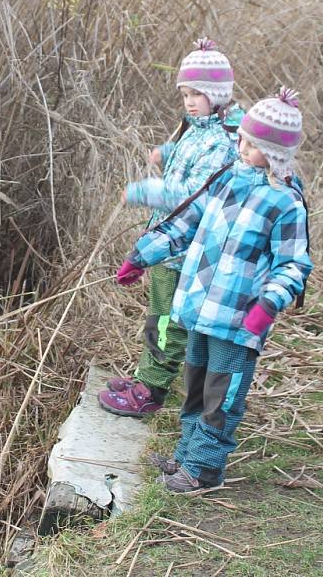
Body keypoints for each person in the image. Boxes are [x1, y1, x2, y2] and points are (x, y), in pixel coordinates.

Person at [115, 88, 312, 491]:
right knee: (196, 386)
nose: (241, 146)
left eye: (252, 144)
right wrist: (143, 255)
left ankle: (205, 466)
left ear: (274, 152)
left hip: (240, 320)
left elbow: (293, 265)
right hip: (200, 309)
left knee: (222, 394)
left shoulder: (284, 203)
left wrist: (267, 306)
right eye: (242, 138)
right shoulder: (226, 181)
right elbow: (185, 221)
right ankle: (186, 455)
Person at [98, 38, 239, 418]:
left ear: (219, 95)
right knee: (158, 314)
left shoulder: (223, 142)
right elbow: (191, 158)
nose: (190, 102)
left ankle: (151, 389)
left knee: (169, 320)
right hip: (169, 242)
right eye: (186, 94)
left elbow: (192, 193)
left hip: (186, 247)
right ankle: (146, 375)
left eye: (198, 94)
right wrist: (168, 152)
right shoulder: (198, 130)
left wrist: (146, 190)